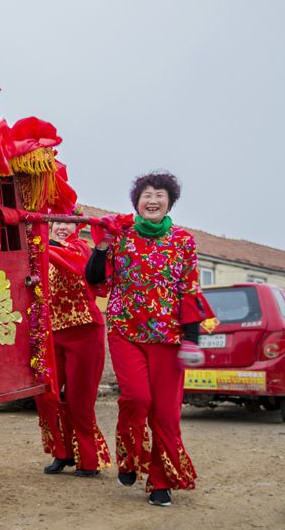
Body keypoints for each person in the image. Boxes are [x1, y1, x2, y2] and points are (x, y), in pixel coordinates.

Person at [85, 171, 214, 506]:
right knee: (137, 399)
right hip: (126, 332)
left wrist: (192, 339)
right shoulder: (121, 235)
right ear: (136, 202)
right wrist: (100, 243)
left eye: (159, 194)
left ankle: (160, 481)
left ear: (169, 202)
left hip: (169, 338)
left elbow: (191, 290)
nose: (153, 200)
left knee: (166, 415)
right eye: (146, 194)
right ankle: (129, 458)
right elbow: (95, 278)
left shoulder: (183, 241)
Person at [36, 209, 112, 477]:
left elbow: (79, 268)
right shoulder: (40, 253)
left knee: (80, 399)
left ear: (76, 228)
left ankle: (89, 459)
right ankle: (62, 452)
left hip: (84, 330)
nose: (60, 227)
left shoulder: (81, 250)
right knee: (47, 396)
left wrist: (43, 246)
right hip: (50, 332)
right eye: (55, 222)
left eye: (66, 224)